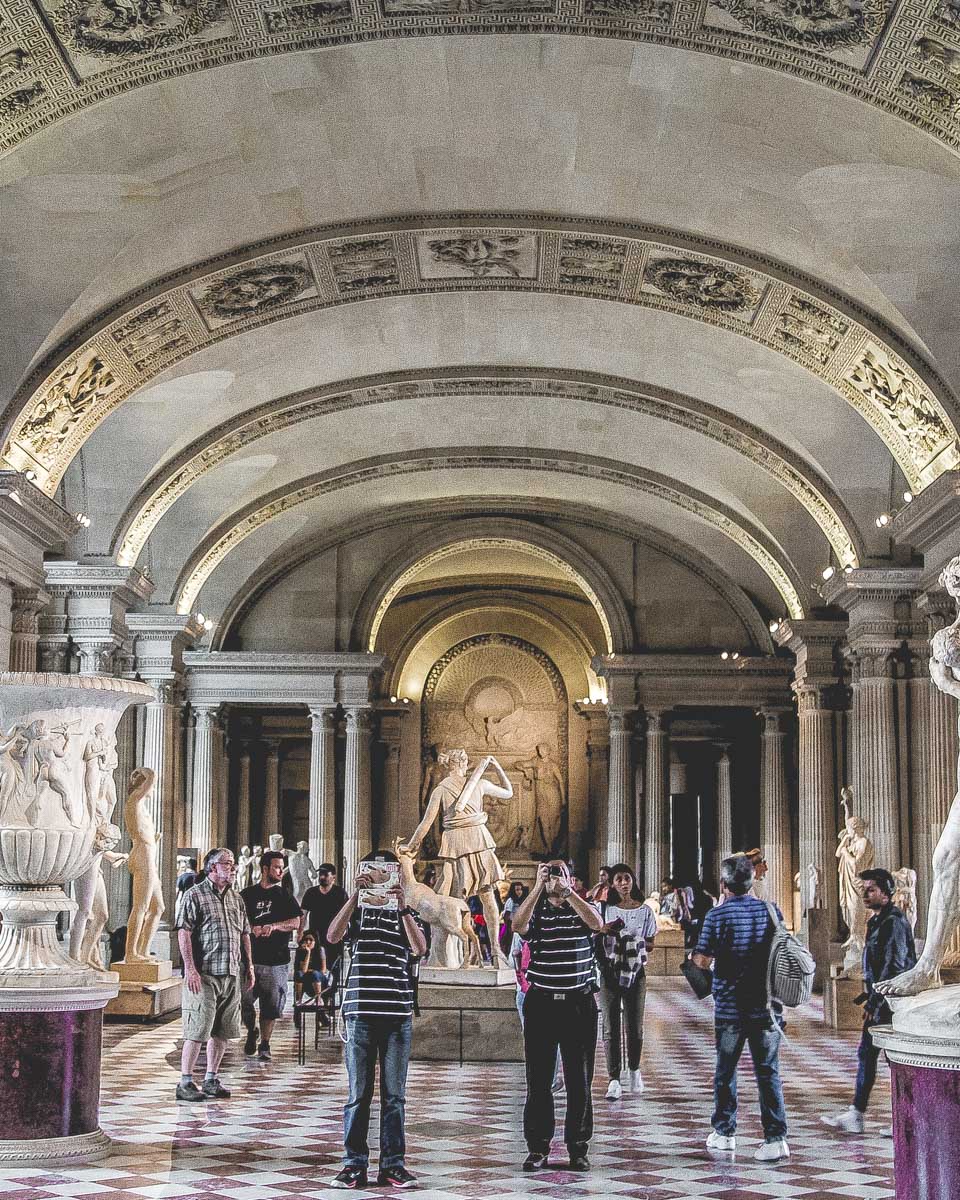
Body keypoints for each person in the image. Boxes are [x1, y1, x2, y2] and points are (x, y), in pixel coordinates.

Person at [327, 850, 427, 1190]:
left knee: (394, 1095)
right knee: (358, 1094)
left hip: (397, 1013)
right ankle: (354, 1164)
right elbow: (333, 935)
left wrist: (401, 908)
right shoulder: (357, 913)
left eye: (388, 872)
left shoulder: (406, 912)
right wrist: (357, 896)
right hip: (361, 1012)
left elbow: (420, 948)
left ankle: (393, 1165)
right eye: (374, 870)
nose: (381, 877)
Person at [692, 854, 789, 1162]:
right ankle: (776, 1138)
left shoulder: (717, 916)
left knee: (726, 1070)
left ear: (723, 884)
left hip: (731, 1006)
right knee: (768, 1071)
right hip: (766, 1005)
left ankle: (724, 1133)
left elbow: (702, 960)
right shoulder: (770, 911)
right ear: (751, 882)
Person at [512, 859, 604, 1172]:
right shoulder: (536, 910)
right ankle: (538, 1148)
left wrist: (569, 894)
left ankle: (578, 1148)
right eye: (550, 873)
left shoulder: (582, 906)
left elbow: (596, 924)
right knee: (538, 1081)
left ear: (571, 878)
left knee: (580, 1080)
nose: (555, 878)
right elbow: (517, 925)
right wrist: (537, 887)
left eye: (560, 873)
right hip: (542, 1003)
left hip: (578, 1003)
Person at [822, 868, 917, 1133]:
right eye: (863, 888)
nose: (864, 893)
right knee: (868, 1055)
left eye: (871, 889)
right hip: (882, 1002)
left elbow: (894, 967)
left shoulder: (894, 922)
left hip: (891, 1004)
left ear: (887, 893)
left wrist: (876, 1004)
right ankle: (858, 1113)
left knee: (896, 1062)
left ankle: (905, 1120)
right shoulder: (877, 920)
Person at [175, 847, 255, 1102]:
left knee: (223, 1030)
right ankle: (185, 1081)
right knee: (198, 1029)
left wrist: (249, 965)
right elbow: (184, 932)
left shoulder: (236, 898)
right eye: (226, 863)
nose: (231, 868)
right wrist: (189, 968)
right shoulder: (194, 895)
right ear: (212, 868)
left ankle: (211, 1078)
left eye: (232, 864)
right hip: (204, 973)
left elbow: (245, 932)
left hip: (230, 972)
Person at [597, 863, 658, 1100]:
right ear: (612, 884)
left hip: (636, 971)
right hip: (610, 971)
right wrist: (609, 934)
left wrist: (635, 943)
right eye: (619, 879)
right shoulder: (606, 909)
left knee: (635, 1024)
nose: (624, 883)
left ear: (633, 881)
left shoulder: (645, 911)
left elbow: (651, 942)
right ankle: (613, 1078)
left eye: (627, 878)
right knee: (610, 1025)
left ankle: (634, 1069)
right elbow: (597, 933)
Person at [240, 849, 303, 1061]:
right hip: (249, 960)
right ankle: (251, 1030)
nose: (280, 871)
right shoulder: (246, 895)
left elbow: (296, 922)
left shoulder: (284, 895)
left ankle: (265, 1043)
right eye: (276, 867)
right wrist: (251, 928)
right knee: (244, 1002)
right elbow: (237, 921)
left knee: (271, 1005)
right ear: (265, 869)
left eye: (281, 867)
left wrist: (274, 926)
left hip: (276, 960)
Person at [301, 863, 350, 1005]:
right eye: (321, 874)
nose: (322, 877)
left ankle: (327, 1000)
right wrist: (300, 934)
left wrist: (345, 931)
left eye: (325, 874)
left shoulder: (340, 894)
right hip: (315, 940)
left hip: (334, 940)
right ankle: (318, 999)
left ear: (333, 877)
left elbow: (346, 915)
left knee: (333, 970)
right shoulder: (311, 893)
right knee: (315, 971)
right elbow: (303, 914)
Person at [294, 931, 332, 1024]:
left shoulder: (320, 950)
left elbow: (323, 969)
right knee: (298, 974)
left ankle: (318, 999)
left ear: (315, 941)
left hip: (320, 978)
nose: (308, 942)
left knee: (314, 974)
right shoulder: (301, 951)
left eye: (311, 940)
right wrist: (308, 953)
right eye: (306, 939)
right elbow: (303, 971)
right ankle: (299, 1000)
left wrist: (313, 972)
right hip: (307, 979)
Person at [501, 881, 529, 953]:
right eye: (517, 890)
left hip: (522, 924)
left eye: (520, 889)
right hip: (512, 925)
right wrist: (509, 926)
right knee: (510, 942)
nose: (519, 892)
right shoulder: (511, 901)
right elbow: (507, 914)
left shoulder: (523, 900)